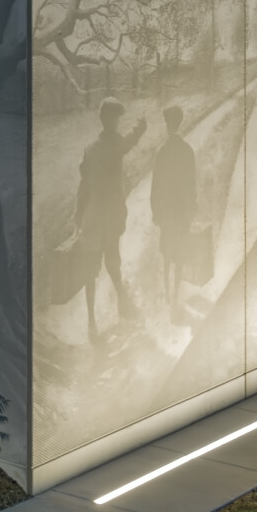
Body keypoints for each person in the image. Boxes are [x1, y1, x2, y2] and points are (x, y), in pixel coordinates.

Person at [76, 97, 145, 338]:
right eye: (115, 118)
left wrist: (77, 217)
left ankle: (92, 322)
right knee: (112, 261)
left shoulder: (90, 149)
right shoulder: (115, 144)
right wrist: (140, 128)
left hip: (92, 216)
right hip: (109, 217)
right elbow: (129, 142)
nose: (116, 122)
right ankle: (123, 304)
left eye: (117, 118)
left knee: (90, 269)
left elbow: (83, 186)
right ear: (107, 120)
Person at [150, 105, 199, 304]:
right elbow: (191, 184)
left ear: (167, 124)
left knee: (167, 254)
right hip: (181, 212)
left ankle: (168, 294)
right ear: (180, 122)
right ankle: (176, 293)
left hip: (167, 212)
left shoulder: (161, 151)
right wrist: (192, 208)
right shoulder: (187, 150)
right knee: (179, 254)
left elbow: (155, 185)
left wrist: (155, 211)